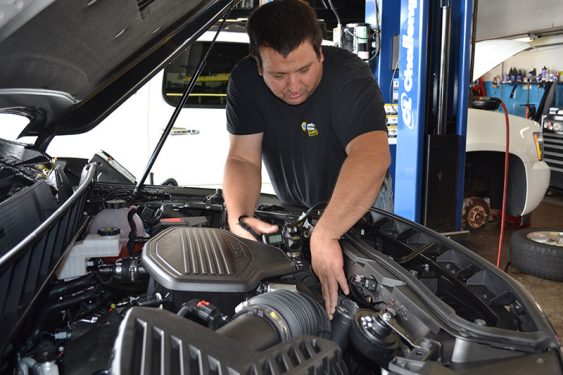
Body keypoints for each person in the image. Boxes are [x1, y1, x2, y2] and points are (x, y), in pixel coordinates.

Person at [223, 0, 391, 317]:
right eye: (279, 75)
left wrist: (327, 233)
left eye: (304, 69)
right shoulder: (245, 82)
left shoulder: (349, 77)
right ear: (259, 66)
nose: (294, 86)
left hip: (361, 209)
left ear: (320, 52)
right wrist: (238, 216)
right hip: (297, 210)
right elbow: (243, 159)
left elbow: (372, 155)